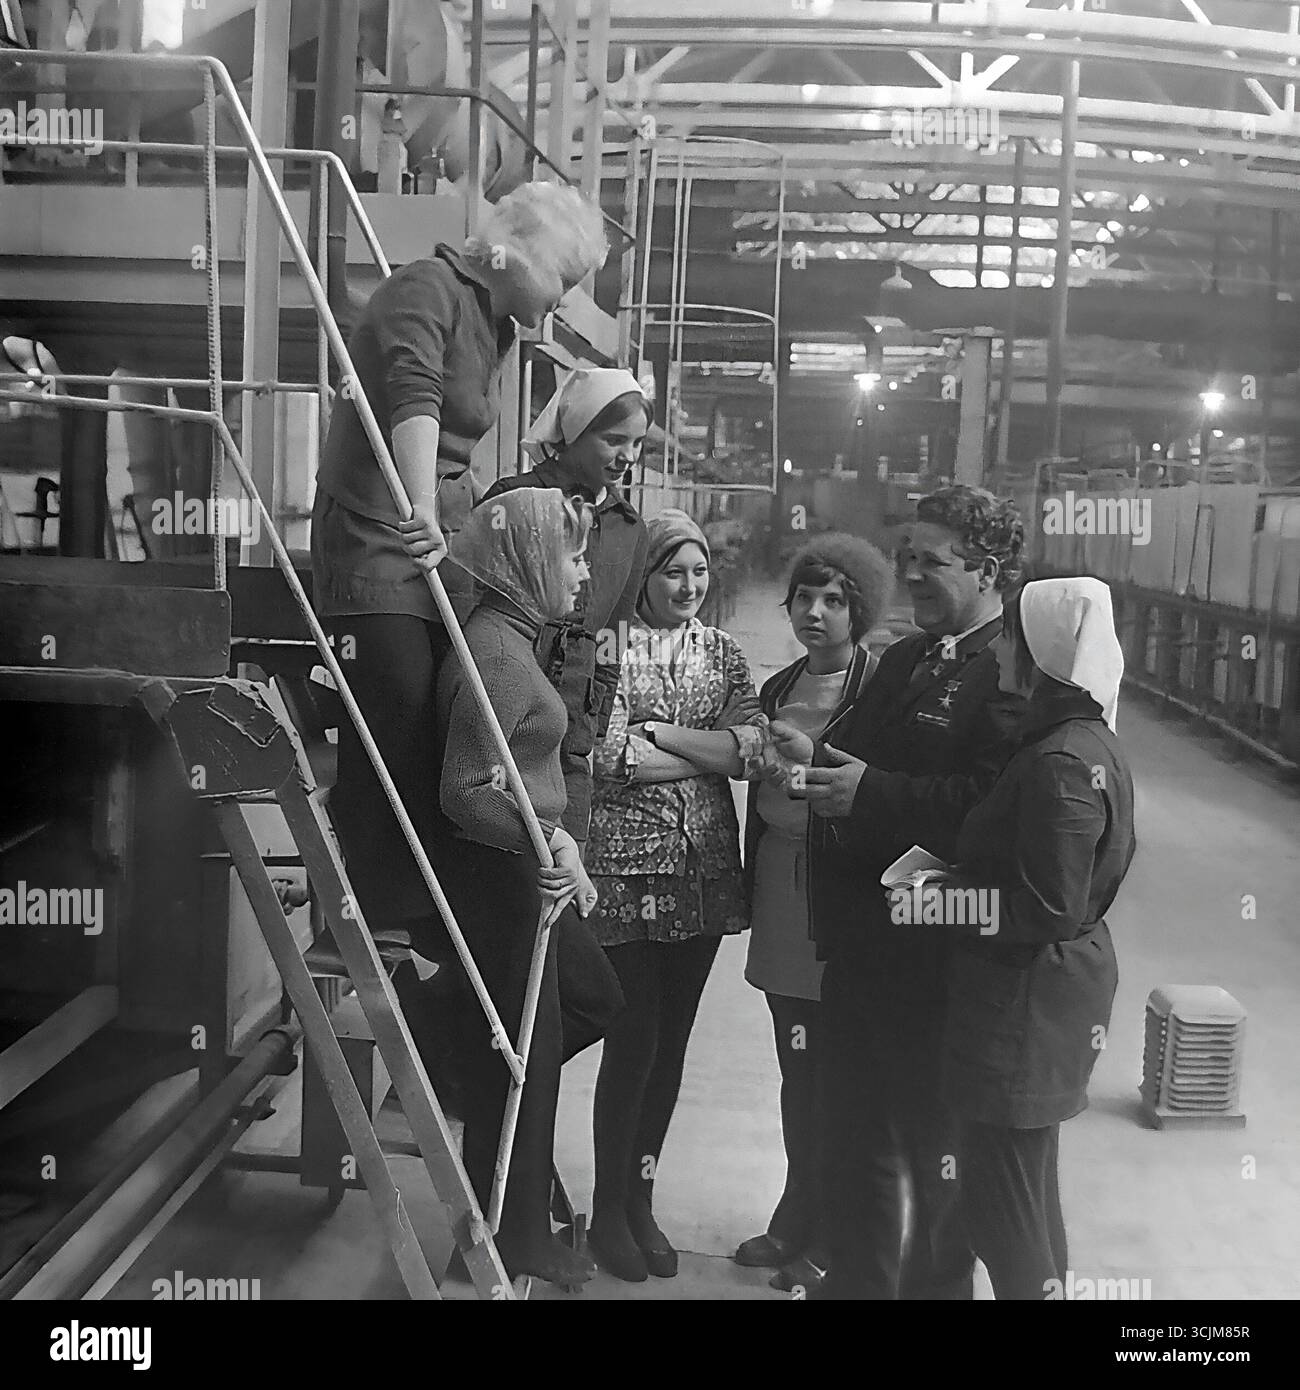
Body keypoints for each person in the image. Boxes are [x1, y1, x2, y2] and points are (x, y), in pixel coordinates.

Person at [309, 179, 609, 944]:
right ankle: (387, 916)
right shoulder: (426, 288)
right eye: (564, 281)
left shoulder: (495, 322)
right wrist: (418, 510)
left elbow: (458, 449)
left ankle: (445, 901)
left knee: (443, 721)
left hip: (430, 543)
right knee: (399, 723)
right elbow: (415, 402)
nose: (565, 303)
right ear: (517, 252)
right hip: (379, 545)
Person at [769, 485, 1026, 1300]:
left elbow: (990, 809)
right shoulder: (911, 657)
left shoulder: (1013, 673)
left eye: (931, 561)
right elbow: (857, 748)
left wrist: (870, 793)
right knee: (856, 1142)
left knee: (936, 1161)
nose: (911, 574)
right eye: (906, 556)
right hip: (864, 948)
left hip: (937, 958)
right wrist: (811, 749)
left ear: (987, 571)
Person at [927, 576, 1134, 1299]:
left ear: (1044, 651)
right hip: (1051, 993)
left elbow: (1046, 906)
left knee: (1001, 1204)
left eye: (1013, 636)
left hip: (1023, 1002)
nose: (1002, 651)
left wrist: (940, 902)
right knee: (1029, 1185)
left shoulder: (1058, 765)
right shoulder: (1086, 741)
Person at [585, 509, 766, 1282]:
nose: (689, 585)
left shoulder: (722, 652)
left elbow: (752, 750)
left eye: (698, 572)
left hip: (703, 875)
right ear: (642, 576)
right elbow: (604, 756)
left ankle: (642, 1196)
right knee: (635, 1043)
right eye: (672, 571)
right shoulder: (606, 651)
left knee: (672, 1051)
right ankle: (607, 1211)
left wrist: (662, 737)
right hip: (627, 873)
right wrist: (708, 754)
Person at [434, 487, 601, 1288]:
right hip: (501, 878)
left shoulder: (516, 639)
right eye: (570, 553)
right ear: (527, 558)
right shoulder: (497, 654)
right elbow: (466, 788)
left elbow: (509, 776)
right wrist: (547, 838)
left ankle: (461, 1050)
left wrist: (557, 834)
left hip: (523, 868)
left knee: (590, 1004)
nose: (583, 569)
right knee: (523, 1064)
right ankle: (513, 1239)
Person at [733, 534, 895, 1296]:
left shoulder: (884, 693)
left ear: (859, 609)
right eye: (805, 597)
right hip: (781, 895)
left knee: (838, 1075)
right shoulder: (776, 689)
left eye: (835, 600)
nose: (817, 612)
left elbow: (880, 797)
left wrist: (803, 761)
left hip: (840, 899)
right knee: (797, 1072)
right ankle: (795, 1215)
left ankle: (832, 1233)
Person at [479, 369, 651, 1063]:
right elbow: (471, 616)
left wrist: (587, 729)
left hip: (567, 755)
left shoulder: (630, 533)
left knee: (554, 941)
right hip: (499, 741)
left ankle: (509, 1098)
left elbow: (613, 641)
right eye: (614, 439)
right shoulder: (513, 502)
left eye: (637, 445)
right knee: (513, 938)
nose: (625, 457)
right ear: (574, 427)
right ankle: (488, 1077)